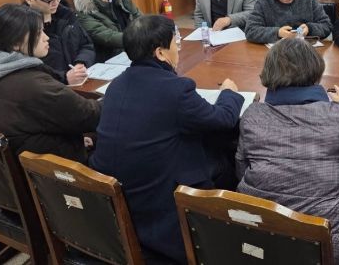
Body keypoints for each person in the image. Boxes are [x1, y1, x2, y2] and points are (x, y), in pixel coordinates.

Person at [89, 14, 244, 264]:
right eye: (175, 42)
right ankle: (217, 237)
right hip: (159, 201)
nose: (178, 48)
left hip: (116, 194)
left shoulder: (116, 85)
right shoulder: (175, 90)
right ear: (160, 53)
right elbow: (223, 119)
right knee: (225, 153)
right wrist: (229, 93)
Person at [236, 38, 339, 265]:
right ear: (317, 73)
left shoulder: (252, 116)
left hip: (266, 242)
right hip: (333, 249)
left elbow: (241, 169)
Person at [0, 4, 100, 164]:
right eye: (38, 33)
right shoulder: (34, 85)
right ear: (15, 44)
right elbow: (89, 116)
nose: (46, 37)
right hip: (53, 168)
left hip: (22, 159)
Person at [20, 0, 94, 85]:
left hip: (79, 82)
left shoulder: (67, 16)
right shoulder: (23, 27)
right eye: (49, 0)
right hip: (52, 88)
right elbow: (30, 71)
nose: (56, 3)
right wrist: (64, 78)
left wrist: (81, 63)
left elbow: (86, 45)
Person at [73, 0, 141, 62]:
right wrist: (140, 38)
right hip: (109, 58)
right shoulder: (85, 8)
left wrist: (148, 32)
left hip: (132, 50)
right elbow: (106, 36)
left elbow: (138, 17)